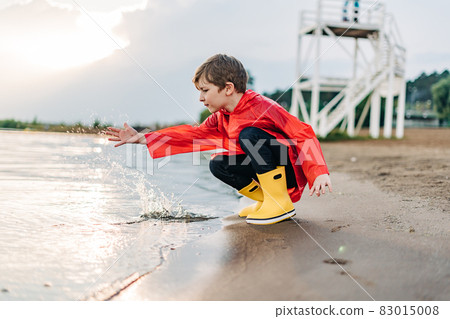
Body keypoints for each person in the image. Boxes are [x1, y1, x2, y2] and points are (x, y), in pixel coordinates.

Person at [105, 54, 332, 225]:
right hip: (270, 167)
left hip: (289, 167)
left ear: (228, 88)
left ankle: (280, 203)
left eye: (205, 90)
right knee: (218, 163)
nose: (201, 98)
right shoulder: (221, 117)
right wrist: (143, 138)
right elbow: (192, 135)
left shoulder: (261, 107)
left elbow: (302, 132)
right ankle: (266, 201)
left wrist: (319, 171)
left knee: (249, 135)